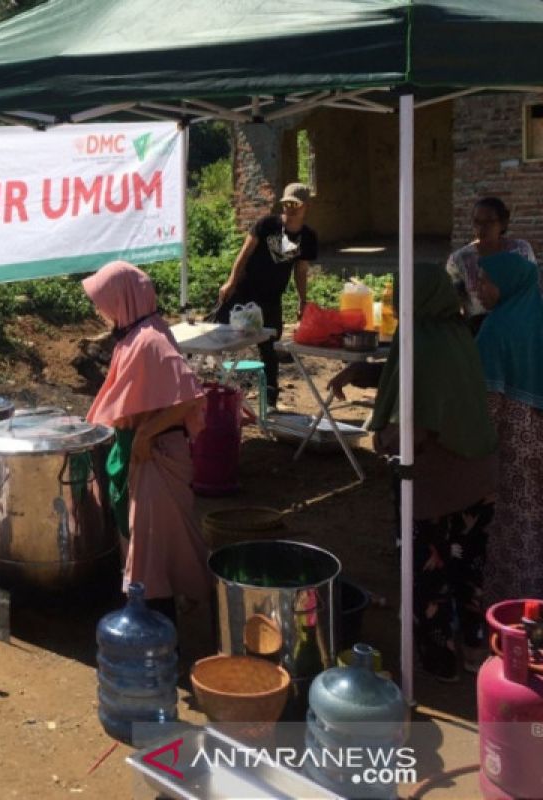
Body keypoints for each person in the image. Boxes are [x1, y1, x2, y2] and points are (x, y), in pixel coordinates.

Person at [328, 262, 498, 680]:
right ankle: (476, 648)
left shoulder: (418, 341)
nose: (393, 304)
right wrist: (362, 371)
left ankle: (440, 661)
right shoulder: (456, 333)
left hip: (433, 482)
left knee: (428, 575)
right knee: (467, 568)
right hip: (477, 476)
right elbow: (408, 381)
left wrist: (386, 442)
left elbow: (418, 419)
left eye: (399, 296)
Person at [83, 261, 211, 620]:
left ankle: (157, 631)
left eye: (104, 301)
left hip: (158, 453)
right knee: (155, 543)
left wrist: (145, 433)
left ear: (124, 298)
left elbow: (190, 397)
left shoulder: (150, 339)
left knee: (152, 546)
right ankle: (169, 609)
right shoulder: (136, 334)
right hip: (144, 452)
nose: (100, 309)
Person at [472, 251, 543, 608]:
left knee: (516, 525)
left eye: (485, 281)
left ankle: (520, 609)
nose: (478, 288)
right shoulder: (537, 317)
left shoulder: (497, 327)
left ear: (507, 284)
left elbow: (488, 404)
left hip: (516, 438)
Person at [215, 183, 317, 408]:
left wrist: (303, 300)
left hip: (271, 298)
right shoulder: (267, 225)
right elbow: (244, 253)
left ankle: (270, 397)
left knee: (269, 347)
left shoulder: (308, 238)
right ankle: (205, 384)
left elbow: (300, 271)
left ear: (306, 206)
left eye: (295, 205)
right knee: (216, 334)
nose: (289, 209)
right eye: (286, 204)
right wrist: (231, 281)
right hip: (244, 291)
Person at [445, 197, 538, 333]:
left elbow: (531, 289)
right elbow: (454, 300)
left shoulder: (520, 251)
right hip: (479, 329)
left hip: (519, 327)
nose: (481, 228)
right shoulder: (461, 259)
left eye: (489, 222)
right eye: (477, 222)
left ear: (503, 223)